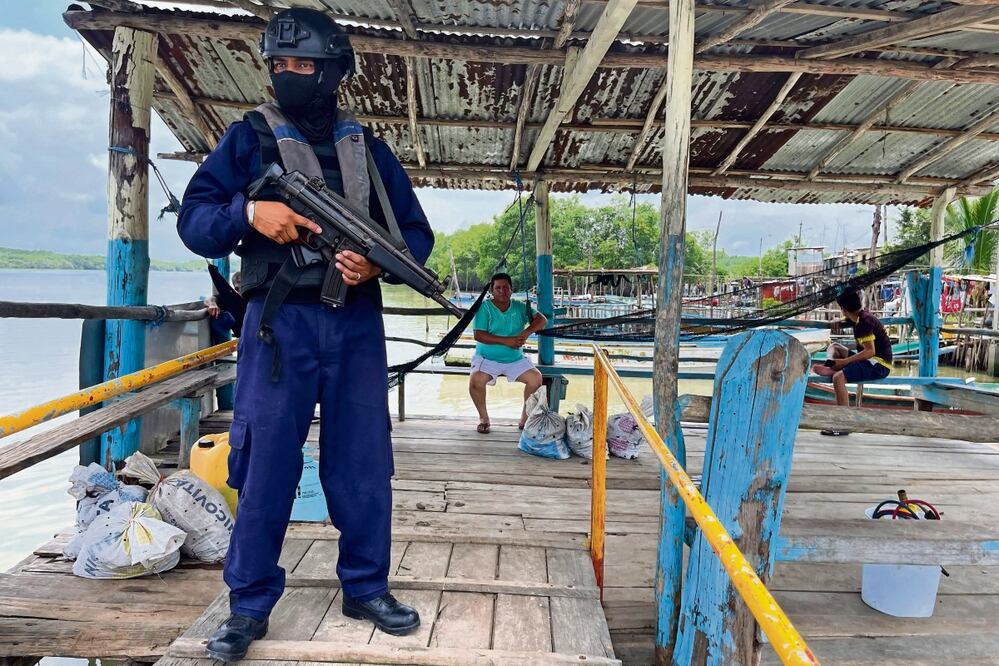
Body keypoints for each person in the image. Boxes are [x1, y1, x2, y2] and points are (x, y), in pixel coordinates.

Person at [176, 8, 434, 662]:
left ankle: (365, 587)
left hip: (353, 324)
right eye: (280, 66)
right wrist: (250, 212)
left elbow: (416, 237)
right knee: (264, 465)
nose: (290, 76)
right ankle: (249, 604)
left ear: (333, 72)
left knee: (363, 462)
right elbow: (197, 222)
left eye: (304, 66)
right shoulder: (248, 139)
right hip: (277, 329)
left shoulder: (366, 148)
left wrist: (374, 261)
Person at [469, 273, 548, 434]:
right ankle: (484, 419)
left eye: (506, 287)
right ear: (492, 290)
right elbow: (479, 335)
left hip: (515, 359)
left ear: (511, 290)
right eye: (498, 288)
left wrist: (526, 333)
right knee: (475, 380)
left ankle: (525, 419)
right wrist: (507, 341)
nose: (502, 291)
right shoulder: (484, 308)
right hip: (487, 359)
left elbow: (542, 320)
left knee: (536, 378)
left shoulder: (520, 306)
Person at [811, 289, 892, 436]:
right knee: (834, 347)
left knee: (838, 378)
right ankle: (830, 365)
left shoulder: (863, 323)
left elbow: (870, 351)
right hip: (870, 360)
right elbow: (850, 320)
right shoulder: (859, 316)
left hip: (879, 364)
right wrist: (840, 321)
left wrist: (844, 362)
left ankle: (844, 424)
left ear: (843, 308)